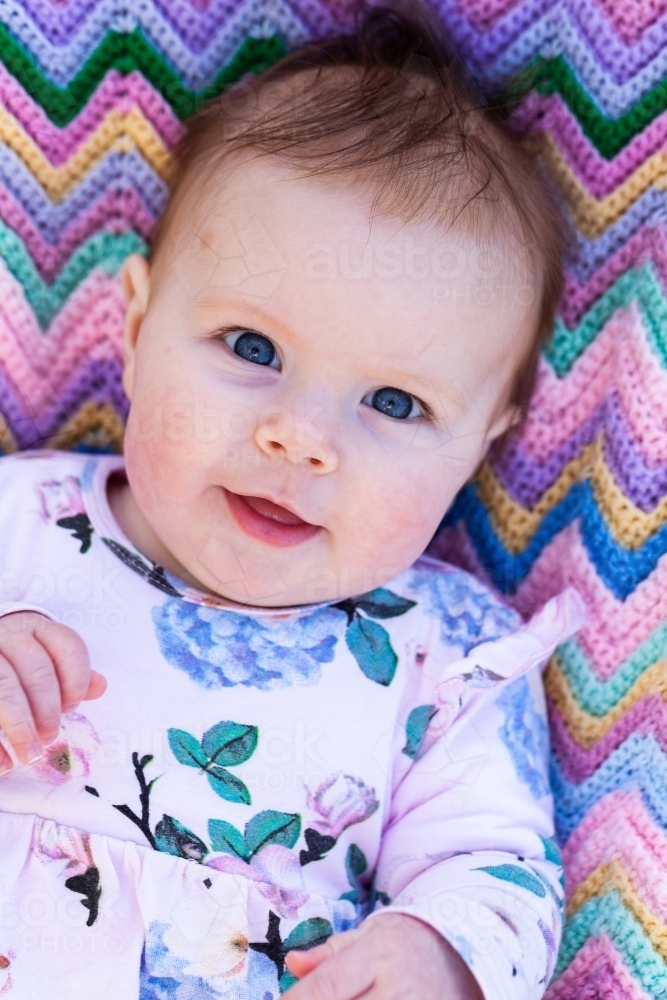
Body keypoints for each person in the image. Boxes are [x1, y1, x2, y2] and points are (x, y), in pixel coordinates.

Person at [0, 6, 585, 999]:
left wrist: (439, 955)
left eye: (395, 403)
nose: (299, 437)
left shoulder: (447, 655)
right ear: (137, 329)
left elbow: (498, 868)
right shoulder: (19, 521)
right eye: (251, 347)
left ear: (480, 444)